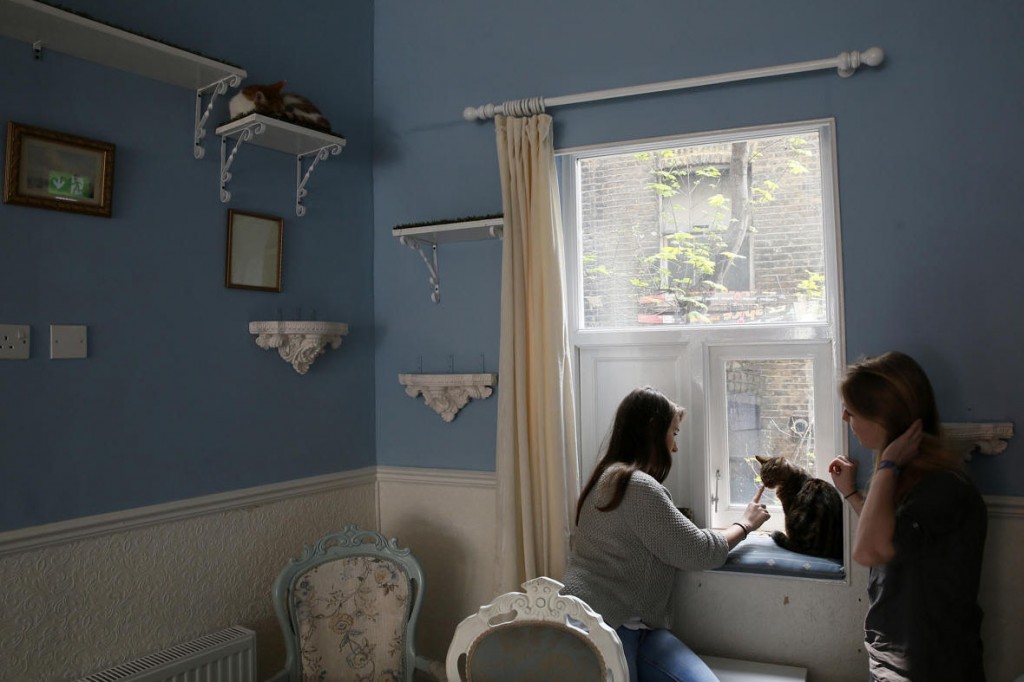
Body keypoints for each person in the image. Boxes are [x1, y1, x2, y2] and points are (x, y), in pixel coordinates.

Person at [561, 386, 770, 682]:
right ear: (652, 431)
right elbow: (698, 552)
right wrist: (745, 524)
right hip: (603, 627)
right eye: (674, 433)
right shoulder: (636, 486)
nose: (675, 447)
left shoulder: (608, 475)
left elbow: (675, 539)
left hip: (625, 624)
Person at [828, 351, 987, 681]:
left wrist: (886, 465)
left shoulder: (943, 488)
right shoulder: (911, 480)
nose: (845, 417)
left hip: (929, 668)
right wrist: (853, 494)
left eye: (852, 410)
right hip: (894, 660)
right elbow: (894, 542)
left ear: (883, 419)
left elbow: (869, 551)